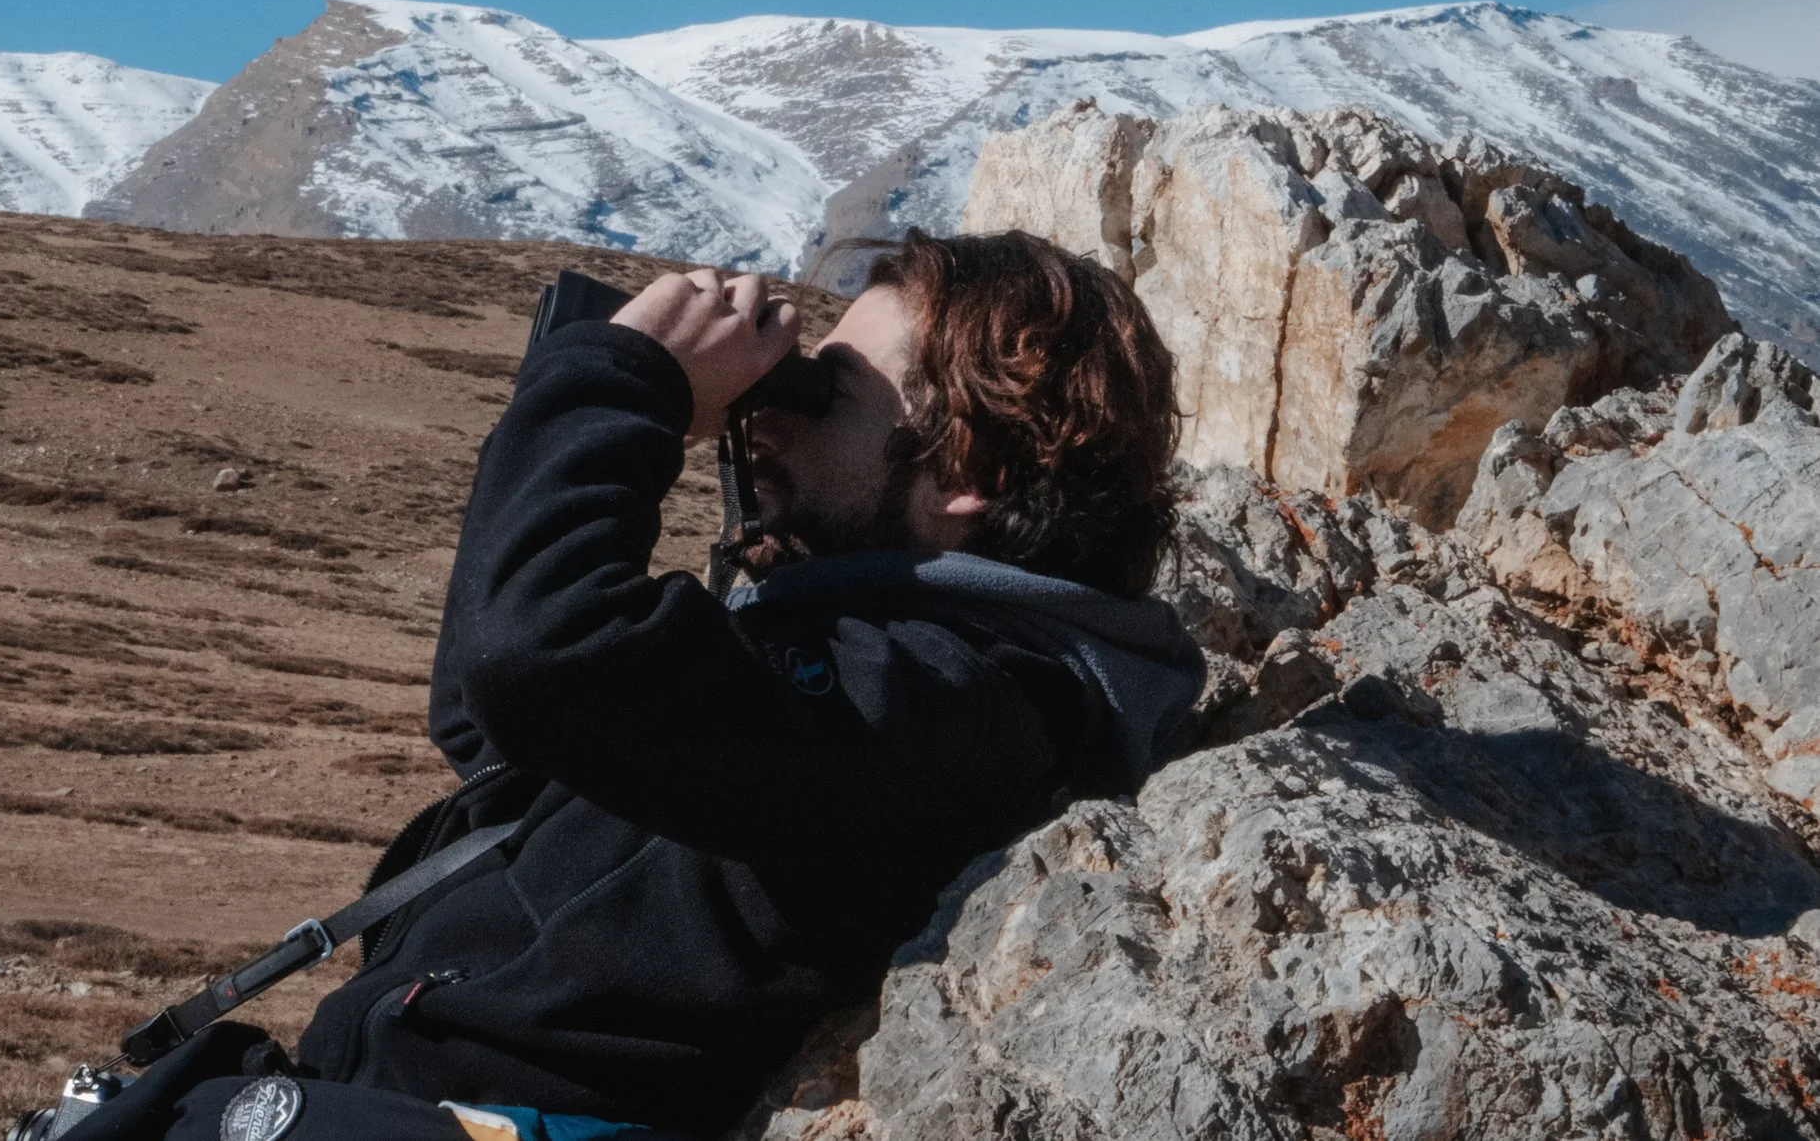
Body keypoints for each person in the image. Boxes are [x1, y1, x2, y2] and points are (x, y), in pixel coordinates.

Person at [75, 229, 1204, 1141]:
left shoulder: (960, 704)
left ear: (975, 469)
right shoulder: (888, 656)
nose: (766, 415)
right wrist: (583, 388)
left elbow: (542, 659)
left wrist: (627, 383)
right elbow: (498, 709)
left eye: (824, 394)